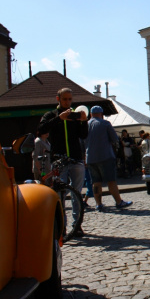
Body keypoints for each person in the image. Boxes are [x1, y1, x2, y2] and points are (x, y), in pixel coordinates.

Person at [37, 87, 88, 237]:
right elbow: (41, 129)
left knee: (76, 194)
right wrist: (59, 119)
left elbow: (83, 135)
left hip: (76, 159)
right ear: (58, 99)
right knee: (59, 195)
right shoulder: (51, 115)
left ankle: (77, 225)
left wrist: (84, 122)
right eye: (65, 99)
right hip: (59, 160)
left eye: (70, 99)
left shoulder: (74, 115)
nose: (67, 102)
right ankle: (61, 227)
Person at [84, 106, 133, 212]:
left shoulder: (85, 125)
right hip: (105, 156)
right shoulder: (105, 124)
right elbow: (115, 139)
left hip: (90, 158)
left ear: (91, 114)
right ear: (101, 113)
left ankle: (99, 204)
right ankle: (119, 202)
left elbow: (82, 142)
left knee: (96, 182)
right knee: (111, 180)